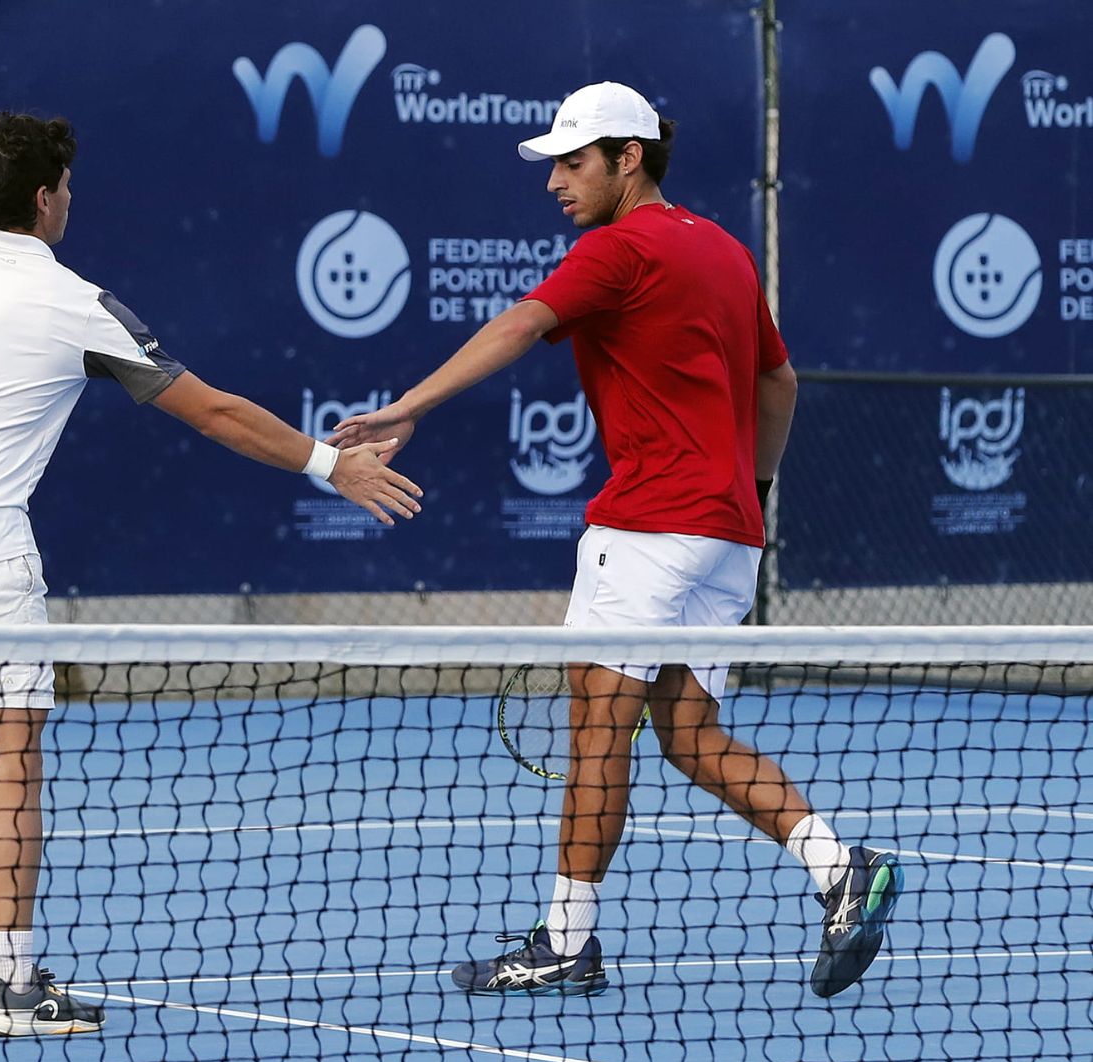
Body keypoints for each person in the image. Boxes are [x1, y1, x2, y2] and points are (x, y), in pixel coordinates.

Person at [0, 111, 422, 1037]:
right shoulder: (78, 305)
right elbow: (214, 410)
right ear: (45, 197)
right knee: (13, 761)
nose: (71, 198)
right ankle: (19, 993)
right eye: (68, 185)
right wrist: (328, 465)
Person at [329, 82, 900, 1000]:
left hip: (646, 529)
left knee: (599, 730)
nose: (556, 180)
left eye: (574, 161)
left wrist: (406, 407)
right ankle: (842, 869)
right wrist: (748, 494)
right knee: (686, 733)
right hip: (728, 535)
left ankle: (565, 943)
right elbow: (780, 383)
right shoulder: (722, 248)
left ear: (628, 158)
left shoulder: (618, 248)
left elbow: (520, 325)